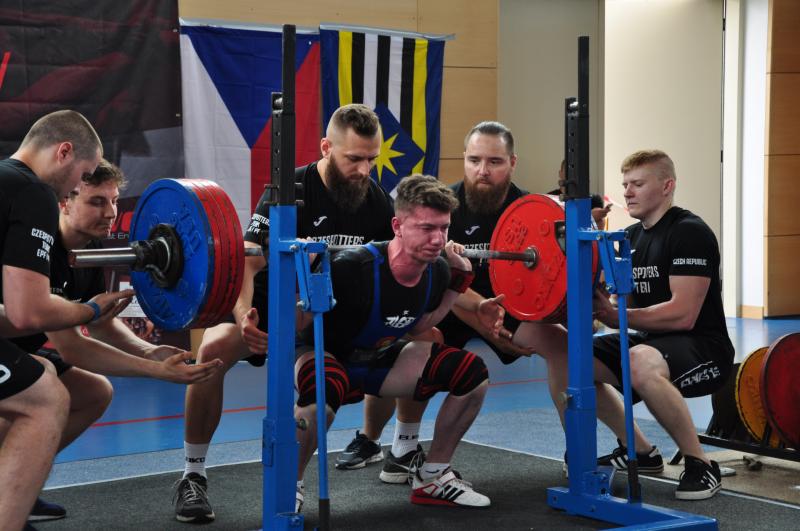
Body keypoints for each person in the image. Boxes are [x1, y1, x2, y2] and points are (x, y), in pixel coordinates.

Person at [339, 121, 658, 485]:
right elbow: (439, 282)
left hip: (510, 307)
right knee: (419, 339)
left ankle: (623, 448)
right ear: (464, 158)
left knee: (565, 349)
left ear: (512, 163)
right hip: (453, 302)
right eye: (474, 160)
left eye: (494, 162)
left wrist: (555, 315)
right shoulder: (444, 208)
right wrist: (486, 321)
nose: (483, 171)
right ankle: (397, 447)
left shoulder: (532, 210)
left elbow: (559, 276)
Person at [172, 103, 396, 523]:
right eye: (354, 158)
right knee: (212, 352)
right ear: (326, 147)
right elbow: (248, 258)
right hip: (269, 307)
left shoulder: (378, 202)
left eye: (372, 159)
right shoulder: (289, 188)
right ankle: (192, 474)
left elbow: (390, 265)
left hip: (323, 314)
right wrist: (243, 315)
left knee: (396, 341)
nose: (364, 170)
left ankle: (382, 445)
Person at [7, 160, 224, 523]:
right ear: (64, 203)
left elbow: (101, 324)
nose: (110, 213)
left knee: (95, 392)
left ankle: (20, 480)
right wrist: (155, 370)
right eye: (97, 202)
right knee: (40, 386)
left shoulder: (90, 249)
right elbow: (73, 346)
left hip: (20, 352)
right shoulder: (42, 246)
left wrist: (149, 351)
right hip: (7, 354)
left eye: (113, 202)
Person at [295, 174, 499, 509]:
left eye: (444, 228)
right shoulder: (352, 268)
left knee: (471, 372)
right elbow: (298, 327)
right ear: (397, 226)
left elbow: (420, 325)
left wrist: (458, 284)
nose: (438, 239)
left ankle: (433, 476)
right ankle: (289, 487)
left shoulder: (438, 271)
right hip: (323, 356)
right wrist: (304, 276)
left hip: (375, 361)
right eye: (426, 228)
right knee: (324, 387)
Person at [0, 110, 134, 531]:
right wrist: (89, 310)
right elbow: (28, 313)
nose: (78, 184)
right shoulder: (32, 191)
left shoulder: (6, 180)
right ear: (64, 152)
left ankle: (15, 488)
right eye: (85, 175)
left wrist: (151, 355)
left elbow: (11, 315)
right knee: (44, 398)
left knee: (44, 376)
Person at [586, 149, 733, 500]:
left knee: (639, 360)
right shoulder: (629, 238)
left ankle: (700, 463)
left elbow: (684, 314)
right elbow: (617, 300)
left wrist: (616, 316)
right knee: (571, 358)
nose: (627, 192)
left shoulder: (690, 233)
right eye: (625, 184)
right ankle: (641, 452)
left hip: (703, 347)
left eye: (637, 184)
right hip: (653, 343)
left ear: (667, 186)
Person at [548, 159, 611, 228]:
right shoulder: (549, 198)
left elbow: (599, 226)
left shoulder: (594, 200)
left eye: (576, 171)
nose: (571, 175)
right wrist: (589, 217)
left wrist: (591, 218)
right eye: (568, 170)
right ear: (560, 173)